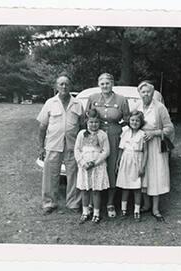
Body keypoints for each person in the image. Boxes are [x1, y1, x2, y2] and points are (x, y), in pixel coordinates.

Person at [37, 73, 84, 215]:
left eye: (67, 84)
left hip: (72, 145)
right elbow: (42, 127)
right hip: (53, 144)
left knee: (73, 174)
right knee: (50, 174)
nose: (64, 86)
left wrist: (81, 146)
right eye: (61, 84)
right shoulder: (50, 103)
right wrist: (41, 147)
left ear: (71, 86)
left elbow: (82, 126)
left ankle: (73, 203)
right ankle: (49, 203)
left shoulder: (77, 103)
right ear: (56, 86)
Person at [86, 73, 130, 218]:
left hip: (113, 137)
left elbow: (127, 119)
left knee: (111, 168)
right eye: (102, 83)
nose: (105, 86)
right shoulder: (93, 98)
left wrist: (115, 127)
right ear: (99, 84)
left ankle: (110, 203)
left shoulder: (122, 100)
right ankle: (93, 201)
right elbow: (88, 117)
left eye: (108, 83)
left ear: (112, 84)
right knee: (95, 165)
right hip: (95, 136)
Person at [136, 81, 174, 222]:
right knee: (144, 174)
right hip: (141, 145)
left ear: (153, 93)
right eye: (143, 92)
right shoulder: (137, 106)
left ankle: (155, 208)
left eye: (148, 92)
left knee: (156, 175)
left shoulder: (159, 108)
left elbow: (169, 128)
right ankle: (146, 205)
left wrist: (155, 133)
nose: (146, 94)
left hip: (156, 146)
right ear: (139, 93)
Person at [74, 109, 110, 224]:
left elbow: (106, 151)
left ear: (99, 123)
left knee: (96, 190)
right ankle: (85, 212)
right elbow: (77, 149)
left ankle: (96, 213)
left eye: (96, 122)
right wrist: (83, 162)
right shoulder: (81, 134)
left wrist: (96, 162)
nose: (93, 125)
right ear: (86, 122)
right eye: (91, 122)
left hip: (97, 166)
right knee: (85, 190)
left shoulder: (102, 134)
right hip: (84, 166)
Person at [115, 110, 147, 222]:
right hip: (125, 160)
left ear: (141, 122)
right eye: (132, 120)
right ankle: (123, 209)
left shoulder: (143, 135)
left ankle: (136, 210)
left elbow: (145, 151)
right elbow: (121, 148)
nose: (134, 122)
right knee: (125, 186)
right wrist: (118, 162)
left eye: (137, 120)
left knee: (137, 187)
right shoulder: (125, 132)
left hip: (137, 161)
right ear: (129, 121)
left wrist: (142, 166)